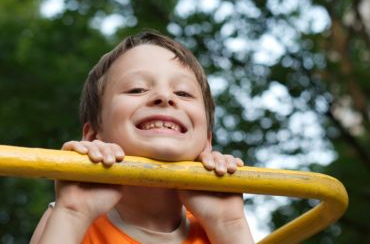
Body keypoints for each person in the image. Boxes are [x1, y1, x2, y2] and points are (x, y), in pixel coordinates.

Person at [30, 31, 254, 244]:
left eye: (183, 93)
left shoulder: (219, 224)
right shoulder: (68, 214)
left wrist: (230, 226)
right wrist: (72, 214)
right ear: (92, 136)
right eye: (136, 89)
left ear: (207, 141)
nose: (165, 97)